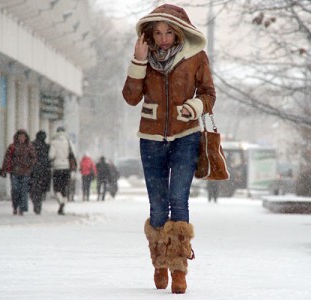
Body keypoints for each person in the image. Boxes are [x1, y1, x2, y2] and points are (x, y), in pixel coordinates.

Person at [121, 4, 216, 294]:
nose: (163, 38)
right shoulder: (145, 58)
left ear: (179, 33)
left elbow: (209, 93)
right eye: (158, 33)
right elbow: (130, 98)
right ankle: (160, 262)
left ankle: (179, 269)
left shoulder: (196, 57)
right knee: (158, 205)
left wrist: (193, 106)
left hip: (186, 136)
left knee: (179, 199)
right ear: (150, 35)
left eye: (169, 32)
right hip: (150, 138)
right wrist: (137, 62)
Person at [2, 129, 36, 215]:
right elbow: (7, 158)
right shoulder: (12, 146)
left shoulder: (29, 147)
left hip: (25, 172)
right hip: (15, 171)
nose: (21, 138)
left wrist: (28, 164)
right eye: (20, 136)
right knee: (15, 189)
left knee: (23, 190)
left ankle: (22, 208)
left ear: (26, 137)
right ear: (17, 137)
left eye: (23, 136)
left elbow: (34, 158)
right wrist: (4, 169)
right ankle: (15, 205)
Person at [49, 127, 75, 215]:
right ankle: (63, 202)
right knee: (64, 186)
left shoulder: (53, 142)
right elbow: (73, 154)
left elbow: (51, 155)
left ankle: (61, 202)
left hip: (57, 167)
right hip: (66, 167)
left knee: (57, 188)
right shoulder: (68, 142)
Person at [29, 130, 51, 215]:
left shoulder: (32, 145)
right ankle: (38, 204)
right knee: (41, 189)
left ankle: (36, 203)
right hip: (44, 170)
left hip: (34, 170)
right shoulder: (47, 146)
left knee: (33, 188)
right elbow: (50, 157)